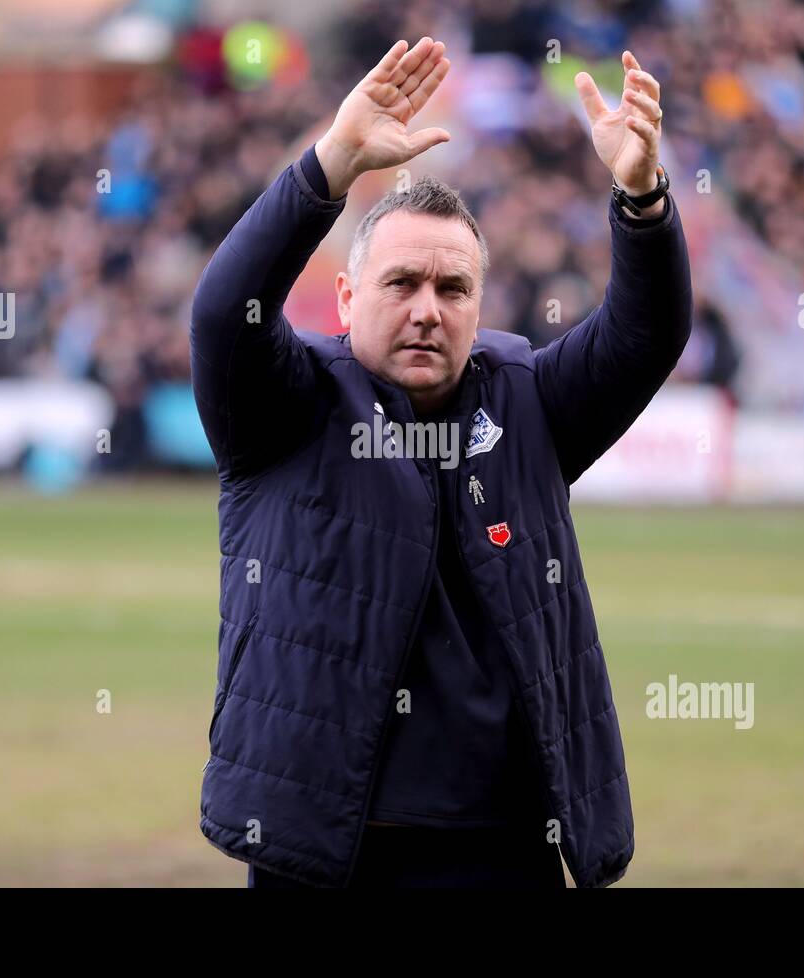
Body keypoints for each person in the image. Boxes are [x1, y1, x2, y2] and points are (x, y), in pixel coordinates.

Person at [192, 37, 691, 888]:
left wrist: (641, 199)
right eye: (402, 283)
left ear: (480, 305)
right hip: (329, 853)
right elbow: (220, 313)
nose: (429, 310)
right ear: (347, 299)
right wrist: (331, 166)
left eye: (453, 289)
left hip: (505, 849)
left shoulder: (528, 400)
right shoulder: (286, 405)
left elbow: (646, 336)